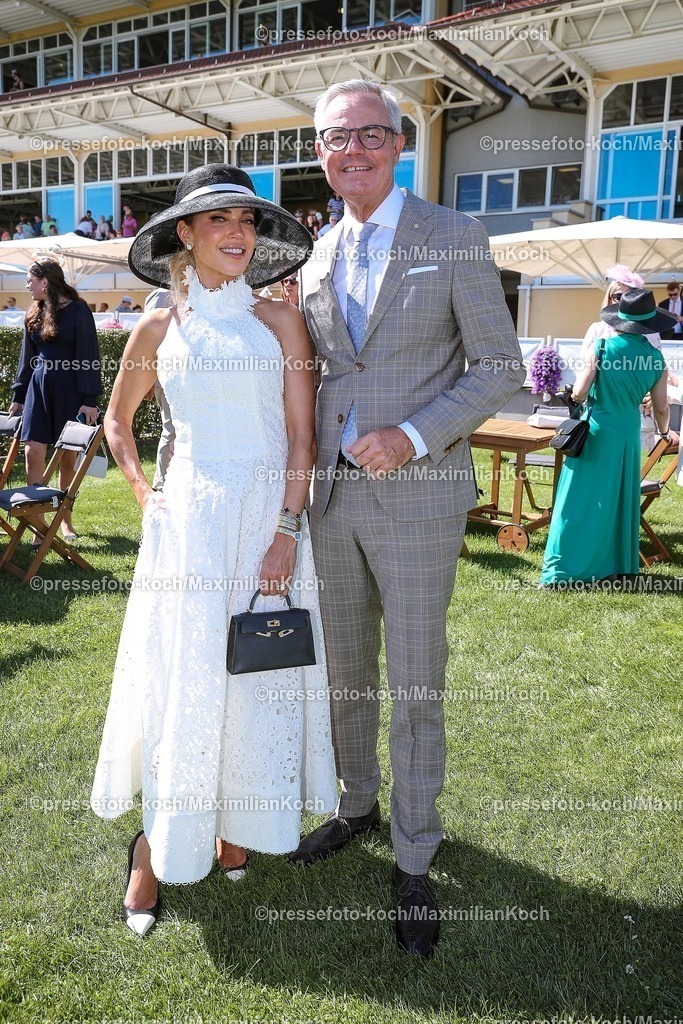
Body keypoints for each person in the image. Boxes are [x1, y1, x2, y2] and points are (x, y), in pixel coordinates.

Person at [292, 79, 524, 957]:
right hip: (332, 499)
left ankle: (416, 852)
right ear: (319, 153)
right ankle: (356, 804)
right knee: (345, 672)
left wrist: (413, 435)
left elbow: (498, 365)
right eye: (333, 138)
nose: (349, 150)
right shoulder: (314, 252)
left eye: (367, 134)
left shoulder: (452, 235)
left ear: (398, 143)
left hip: (420, 497)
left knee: (416, 679)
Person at [90, 164, 337, 937]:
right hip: (190, 531)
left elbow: (301, 437)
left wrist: (286, 531)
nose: (238, 234)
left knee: (257, 676)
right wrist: (144, 495)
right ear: (185, 234)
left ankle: (238, 824)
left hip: (266, 523)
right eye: (221, 220)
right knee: (187, 682)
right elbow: (117, 423)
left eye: (248, 221)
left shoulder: (281, 322)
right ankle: (152, 848)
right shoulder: (157, 327)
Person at [539, 289, 678, 586]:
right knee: (618, 499)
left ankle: (566, 568)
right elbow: (661, 408)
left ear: (619, 320)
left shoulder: (601, 347)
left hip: (597, 431)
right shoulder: (656, 358)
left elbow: (579, 392)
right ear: (649, 324)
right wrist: (665, 432)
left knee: (578, 499)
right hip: (627, 435)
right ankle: (615, 567)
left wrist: (582, 396)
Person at [8, 259, 101, 542]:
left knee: (67, 459)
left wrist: (89, 399)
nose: (27, 286)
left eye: (30, 281)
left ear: (45, 282)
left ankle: (65, 521)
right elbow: (27, 358)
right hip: (38, 390)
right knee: (32, 453)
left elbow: (89, 355)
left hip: (70, 391)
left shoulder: (79, 310)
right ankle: (39, 525)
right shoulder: (33, 312)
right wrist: (19, 395)